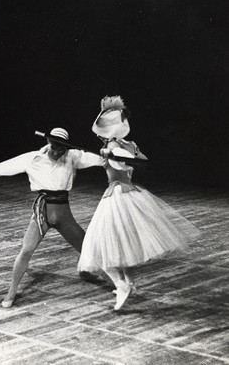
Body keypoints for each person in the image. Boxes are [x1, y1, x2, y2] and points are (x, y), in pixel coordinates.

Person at [78, 96, 200, 310]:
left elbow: (127, 161)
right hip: (130, 194)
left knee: (99, 248)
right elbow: (140, 160)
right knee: (125, 245)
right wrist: (115, 154)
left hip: (117, 195)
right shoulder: (129, 144)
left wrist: (112, 154)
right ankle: (129, 284)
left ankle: (121, 284)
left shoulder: (114, 146)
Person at [0, 128, 104, 308]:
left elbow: (99, 159)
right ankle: (12, 290)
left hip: (63, 213)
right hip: (42, 212)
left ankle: (95, 275)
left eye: (62, 148)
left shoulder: (73, 156)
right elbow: (7, 166)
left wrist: (109, 155)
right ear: (50, 143)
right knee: (26, 250)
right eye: (55, 147)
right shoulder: (33, 158)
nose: (58, 151)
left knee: (87, 247)